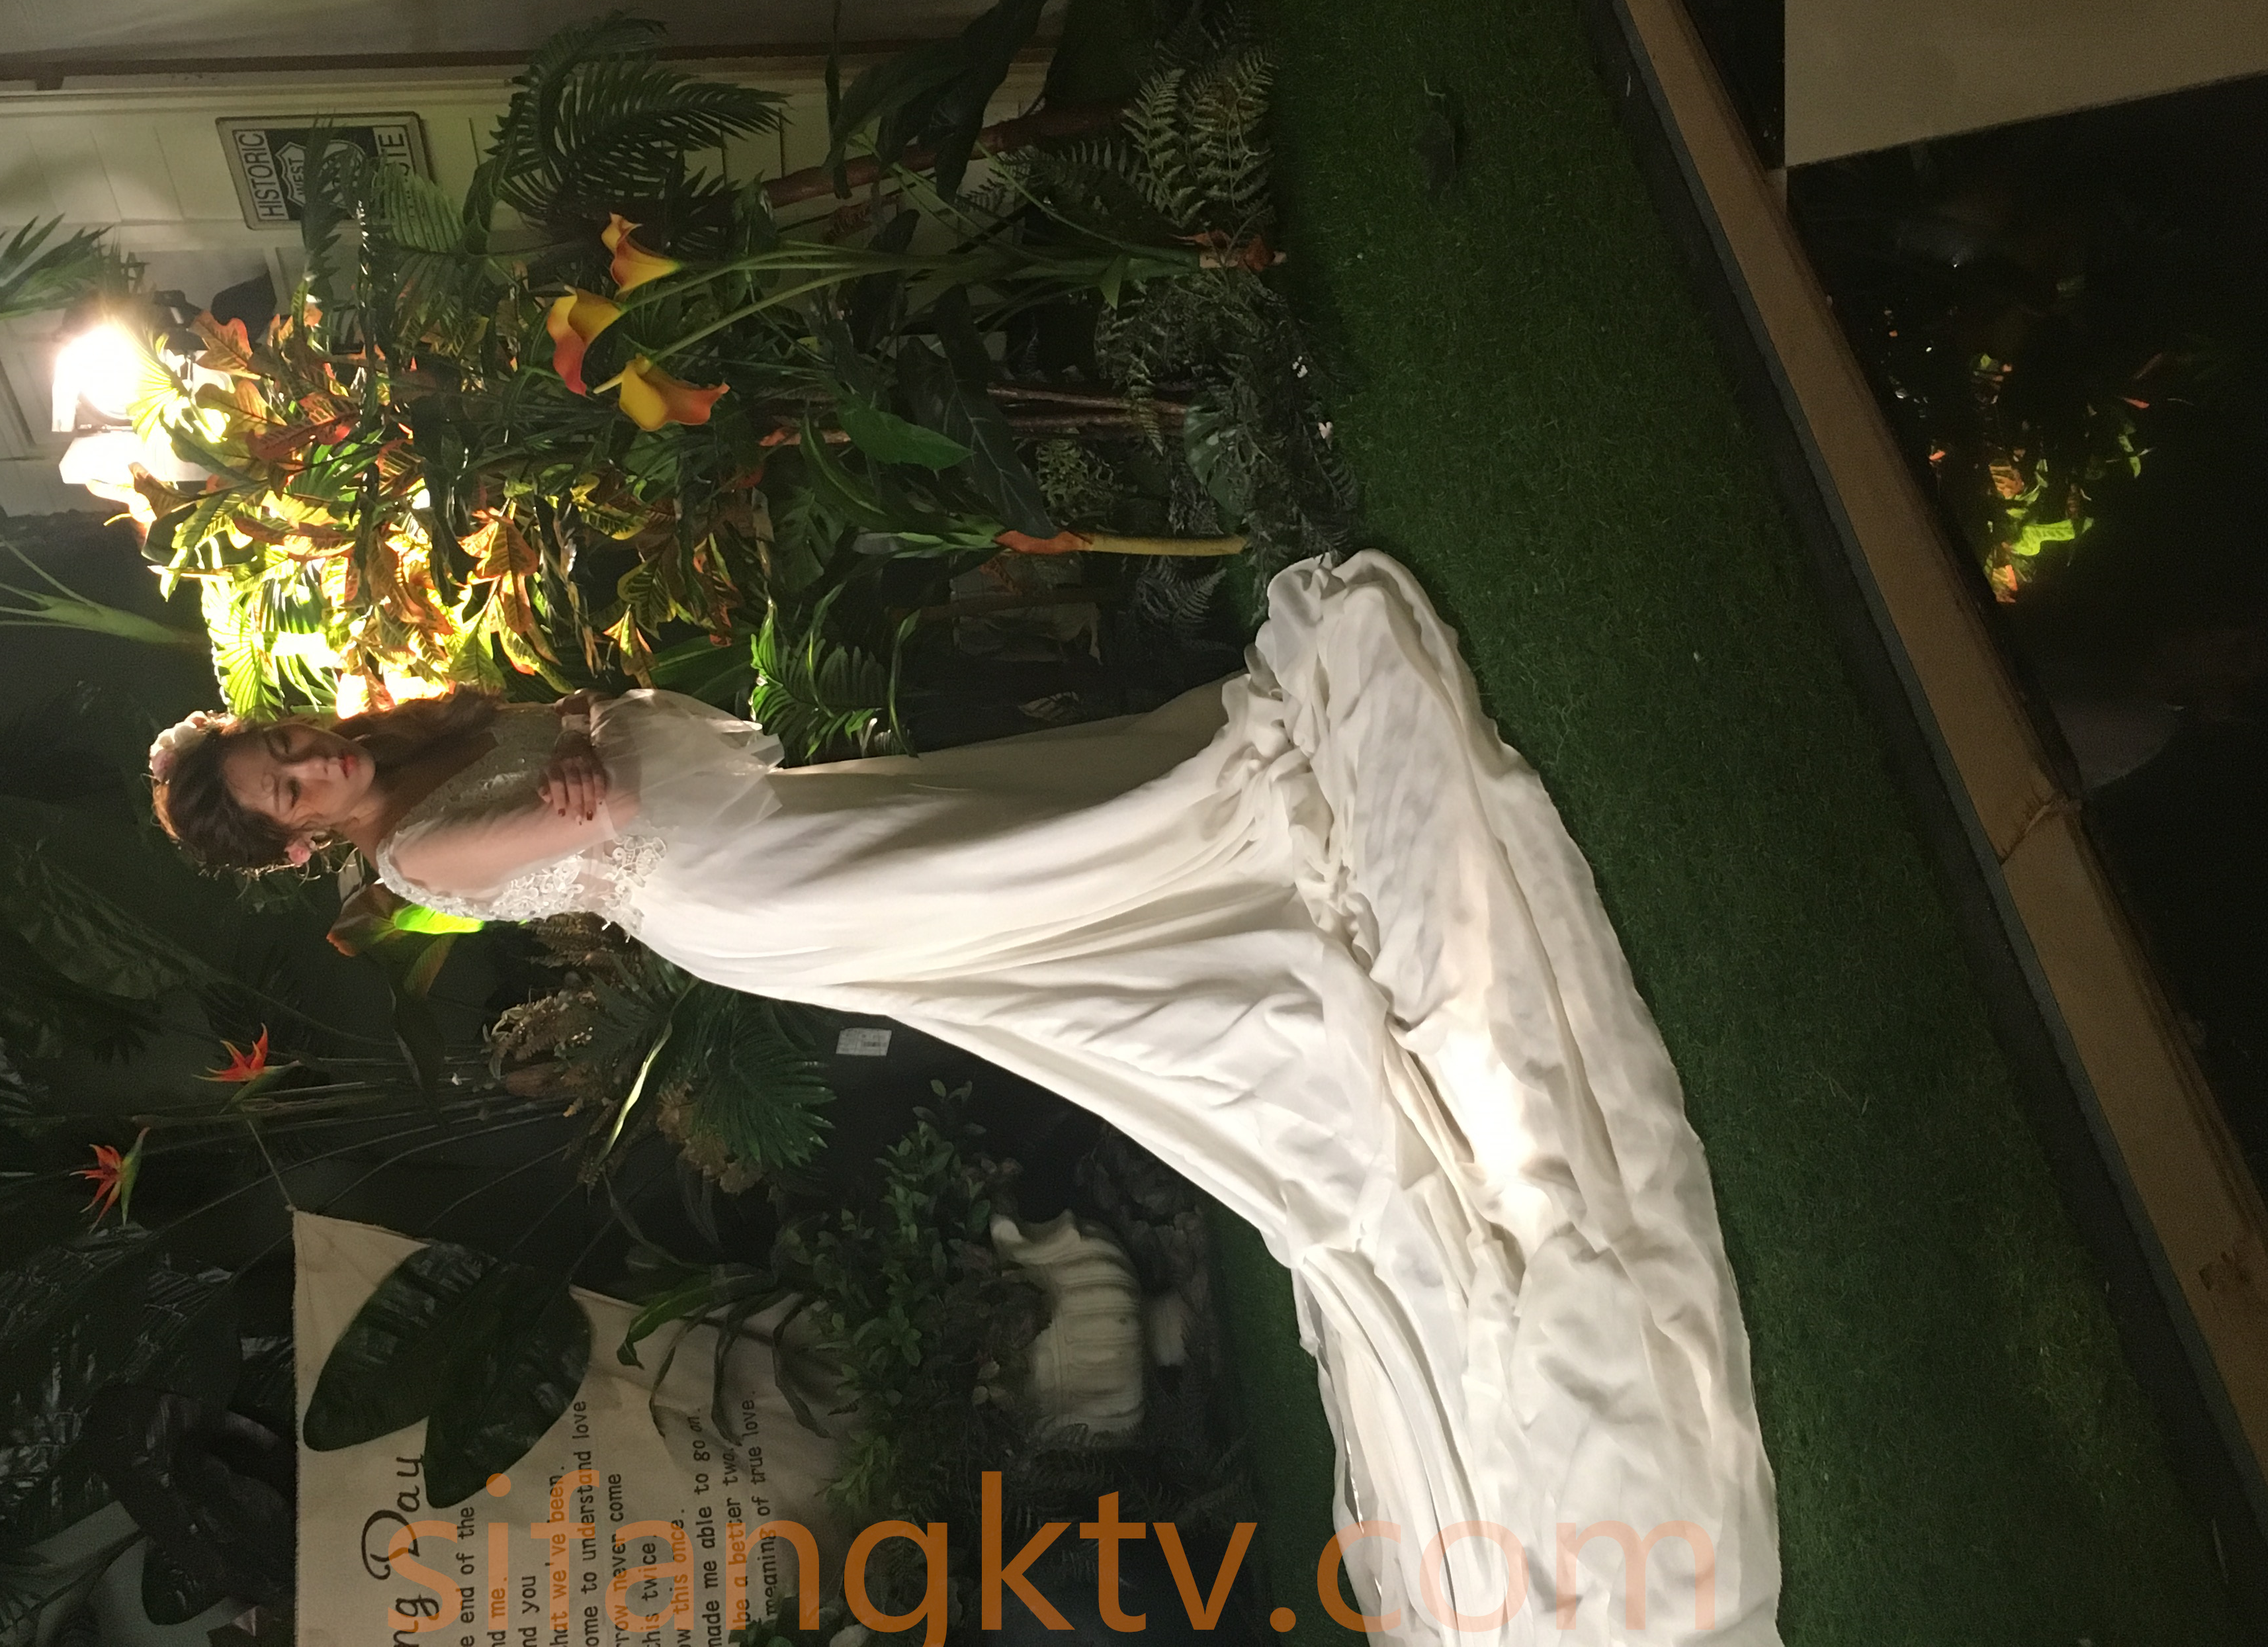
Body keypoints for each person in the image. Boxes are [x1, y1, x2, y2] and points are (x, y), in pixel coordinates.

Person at [151, 551, 1780, 1647]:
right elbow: (591, 809)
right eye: (287, 789)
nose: (312, 763)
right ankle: (1238, 871)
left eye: (284, 744)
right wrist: (578, 761)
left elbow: (586, 751)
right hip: (740, 890)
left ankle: (1215, 841)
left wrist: (577, 746)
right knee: (1017, 899)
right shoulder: (415, 853)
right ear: (293, 843)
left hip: (758, 837)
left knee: (1009, 842)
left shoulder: (411, 747)